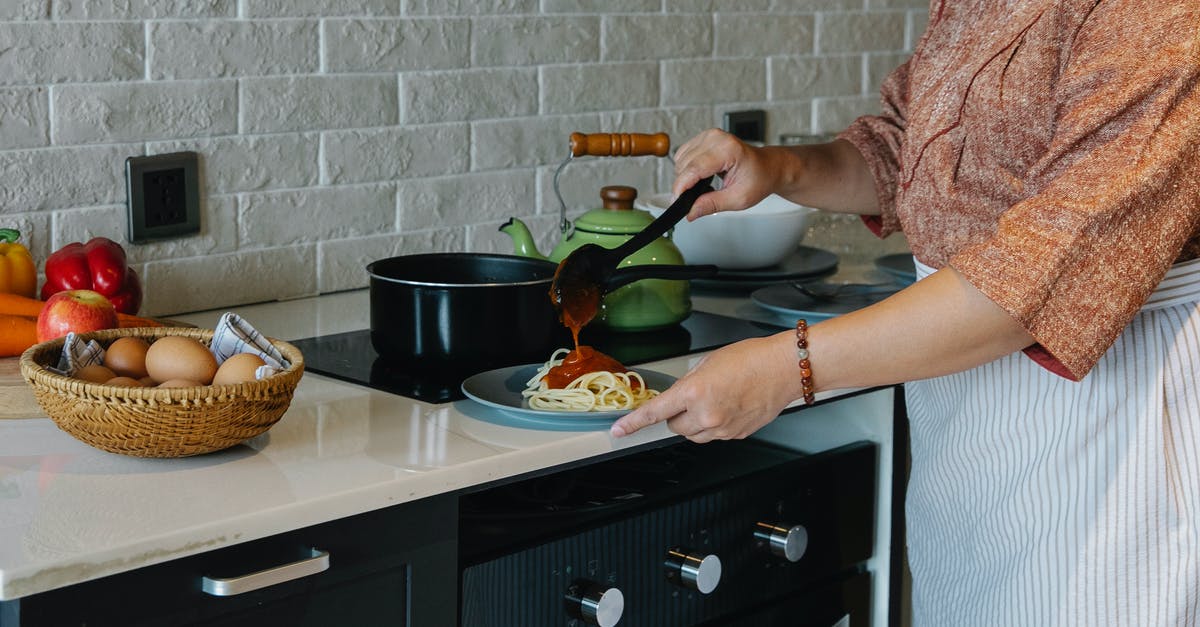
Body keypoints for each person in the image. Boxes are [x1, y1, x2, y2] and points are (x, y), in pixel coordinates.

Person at [611, 1, 1200, 624]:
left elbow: (1041, 275)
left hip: (1117, 423)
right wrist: (778, 168)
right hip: (968, 426)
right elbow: (911, 147)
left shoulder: (1157, 14)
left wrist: (789, 367)